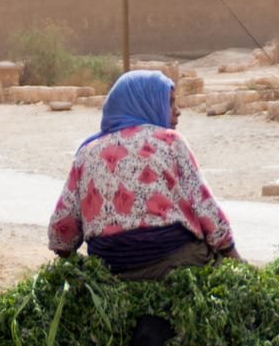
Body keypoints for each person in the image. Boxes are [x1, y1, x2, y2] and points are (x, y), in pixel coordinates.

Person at [48, 68, 239, 280]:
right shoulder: (170, 142)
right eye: (169, 102)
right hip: (174, 263)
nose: (178, 111)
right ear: (146, 102)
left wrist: (73, 267)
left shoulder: (86, 153)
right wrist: (234, 257)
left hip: (109, 270)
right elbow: (206, 208)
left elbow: (60, 232)